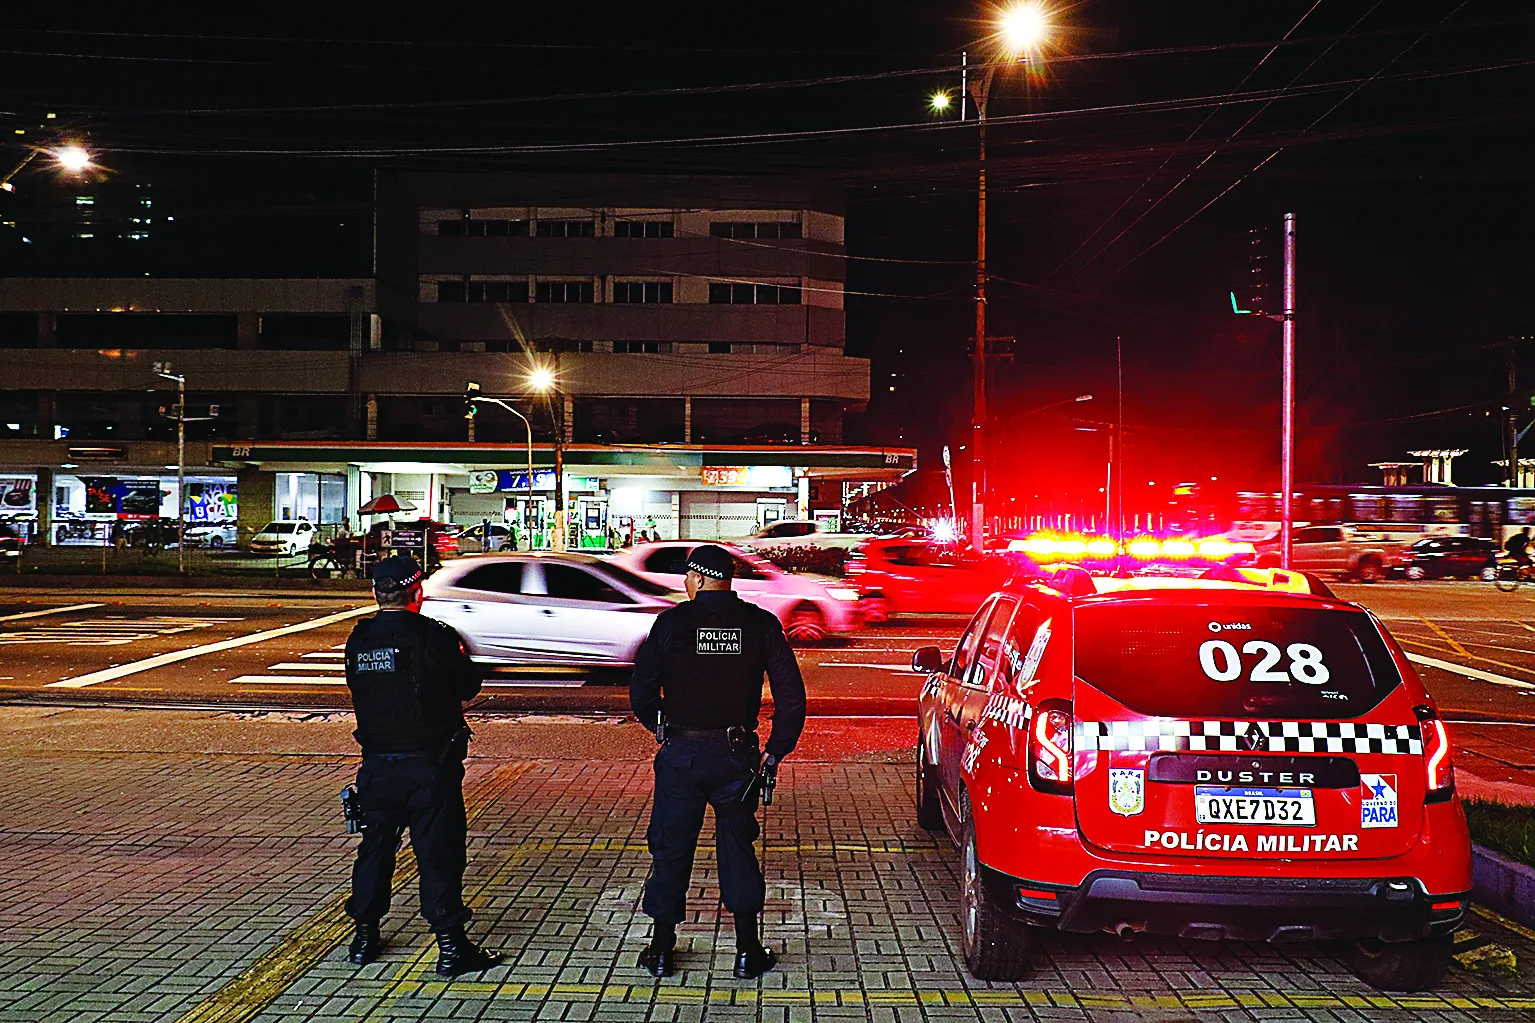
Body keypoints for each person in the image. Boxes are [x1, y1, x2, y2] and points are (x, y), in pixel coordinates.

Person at [629, 544, 807, 980]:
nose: (686, 585)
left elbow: (641, 693)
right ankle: (747, 951)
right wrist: (775, 750)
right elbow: (791, 697)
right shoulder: (760, 624)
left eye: (688, 577)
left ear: (701, 578)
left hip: (682, 757)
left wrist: (665, 728)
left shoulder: (671, 623)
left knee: (671, 848)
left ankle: (662, 950)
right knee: (737, 848)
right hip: (736, 757)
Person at [342, 554, 502, 977]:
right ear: (418, 593)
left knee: (375, 849)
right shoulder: (433, 636)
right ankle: (451, 948)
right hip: (430, 766)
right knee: (439, 855)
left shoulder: (359, 639)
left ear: (376, 594)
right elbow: (468, 684)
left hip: (377, 766)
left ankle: (364, 937)